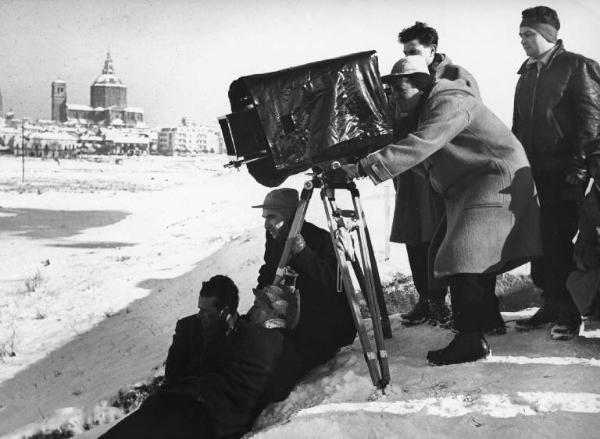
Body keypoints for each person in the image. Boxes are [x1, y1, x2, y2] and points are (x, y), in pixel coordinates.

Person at [343, 55, 542, 365]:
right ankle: (484, 321)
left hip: (494, 178)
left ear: (421, 85)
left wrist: (358, 169)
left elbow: (422, 143)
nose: (394, 97)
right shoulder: (425, 106)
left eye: (399, 90)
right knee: (458, 251)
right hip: (473, 183)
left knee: (464, 253)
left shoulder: (449, 99)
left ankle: (469, 340)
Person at [101, 275, 297, 439]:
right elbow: (177, 373)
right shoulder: (199, 329)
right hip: (185, 404)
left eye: (258, 306)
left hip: (207, 417)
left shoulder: (256, 339)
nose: (252, 310)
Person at [512, 6, 600, 340]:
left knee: (559, 242)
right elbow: (519, 125)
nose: (522, 40)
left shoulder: (577, 66)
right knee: (541, 241)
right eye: (520, 34)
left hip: (566, 174)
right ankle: (550, 303)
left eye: (528, 34)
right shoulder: (527, 72)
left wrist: (577, 168)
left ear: (548, 35)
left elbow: (592, 121)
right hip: (533, 174)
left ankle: (569, 313)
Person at [390, 22, 483, 328]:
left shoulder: (455, 78)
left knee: (443, 238)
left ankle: (453, 305)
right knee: (414, 236)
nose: (410, 57)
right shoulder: (404, 80)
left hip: (442, 172)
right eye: (405, 52)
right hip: (410, 174)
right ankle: (427, 300)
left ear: (432, 49)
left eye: (414, 51)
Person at [254, 188, 357, 375]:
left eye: (271, 217)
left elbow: (334, 284)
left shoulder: (321, 239)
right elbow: (269, 267)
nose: (266, 224)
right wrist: (264, 292)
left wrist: (304, 254)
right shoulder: (274, 237)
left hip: (321, 323)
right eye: (264, 218)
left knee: (281, 361)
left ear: (289, 216)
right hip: (288, 314)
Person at [566, 143, 600, 333]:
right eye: (595, 165)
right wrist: (589, 256)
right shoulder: (590, 203)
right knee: (576, 280)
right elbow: (581, 247)